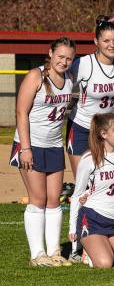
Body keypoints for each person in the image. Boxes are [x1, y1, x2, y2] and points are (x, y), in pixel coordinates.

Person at [12, 37, 75, 266]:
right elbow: (20, 113)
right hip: (31, 144)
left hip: (53, 145)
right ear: (50, 53)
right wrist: (26, 148)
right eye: (60, 56)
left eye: (69, 58)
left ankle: (54, 251)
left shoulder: (69, 78)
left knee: (53, 200)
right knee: (38, 199)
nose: (64, 61)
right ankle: (37, 255)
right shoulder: (35, 76)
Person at [67, 113, 114, 269]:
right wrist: (73, 229)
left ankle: (106, 246)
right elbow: (77, 194)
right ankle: (87, 248)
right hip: (93, 219)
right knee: (105, 263)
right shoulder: (89, 159)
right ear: (103, 134)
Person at [67, 16, 114, 175]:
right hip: (82, 128)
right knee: (83, 184)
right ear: (96, 41)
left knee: (104, 181)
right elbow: (62, 83)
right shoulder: (84, 63)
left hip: (107, 131)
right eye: (106, 41)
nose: (111, 45)